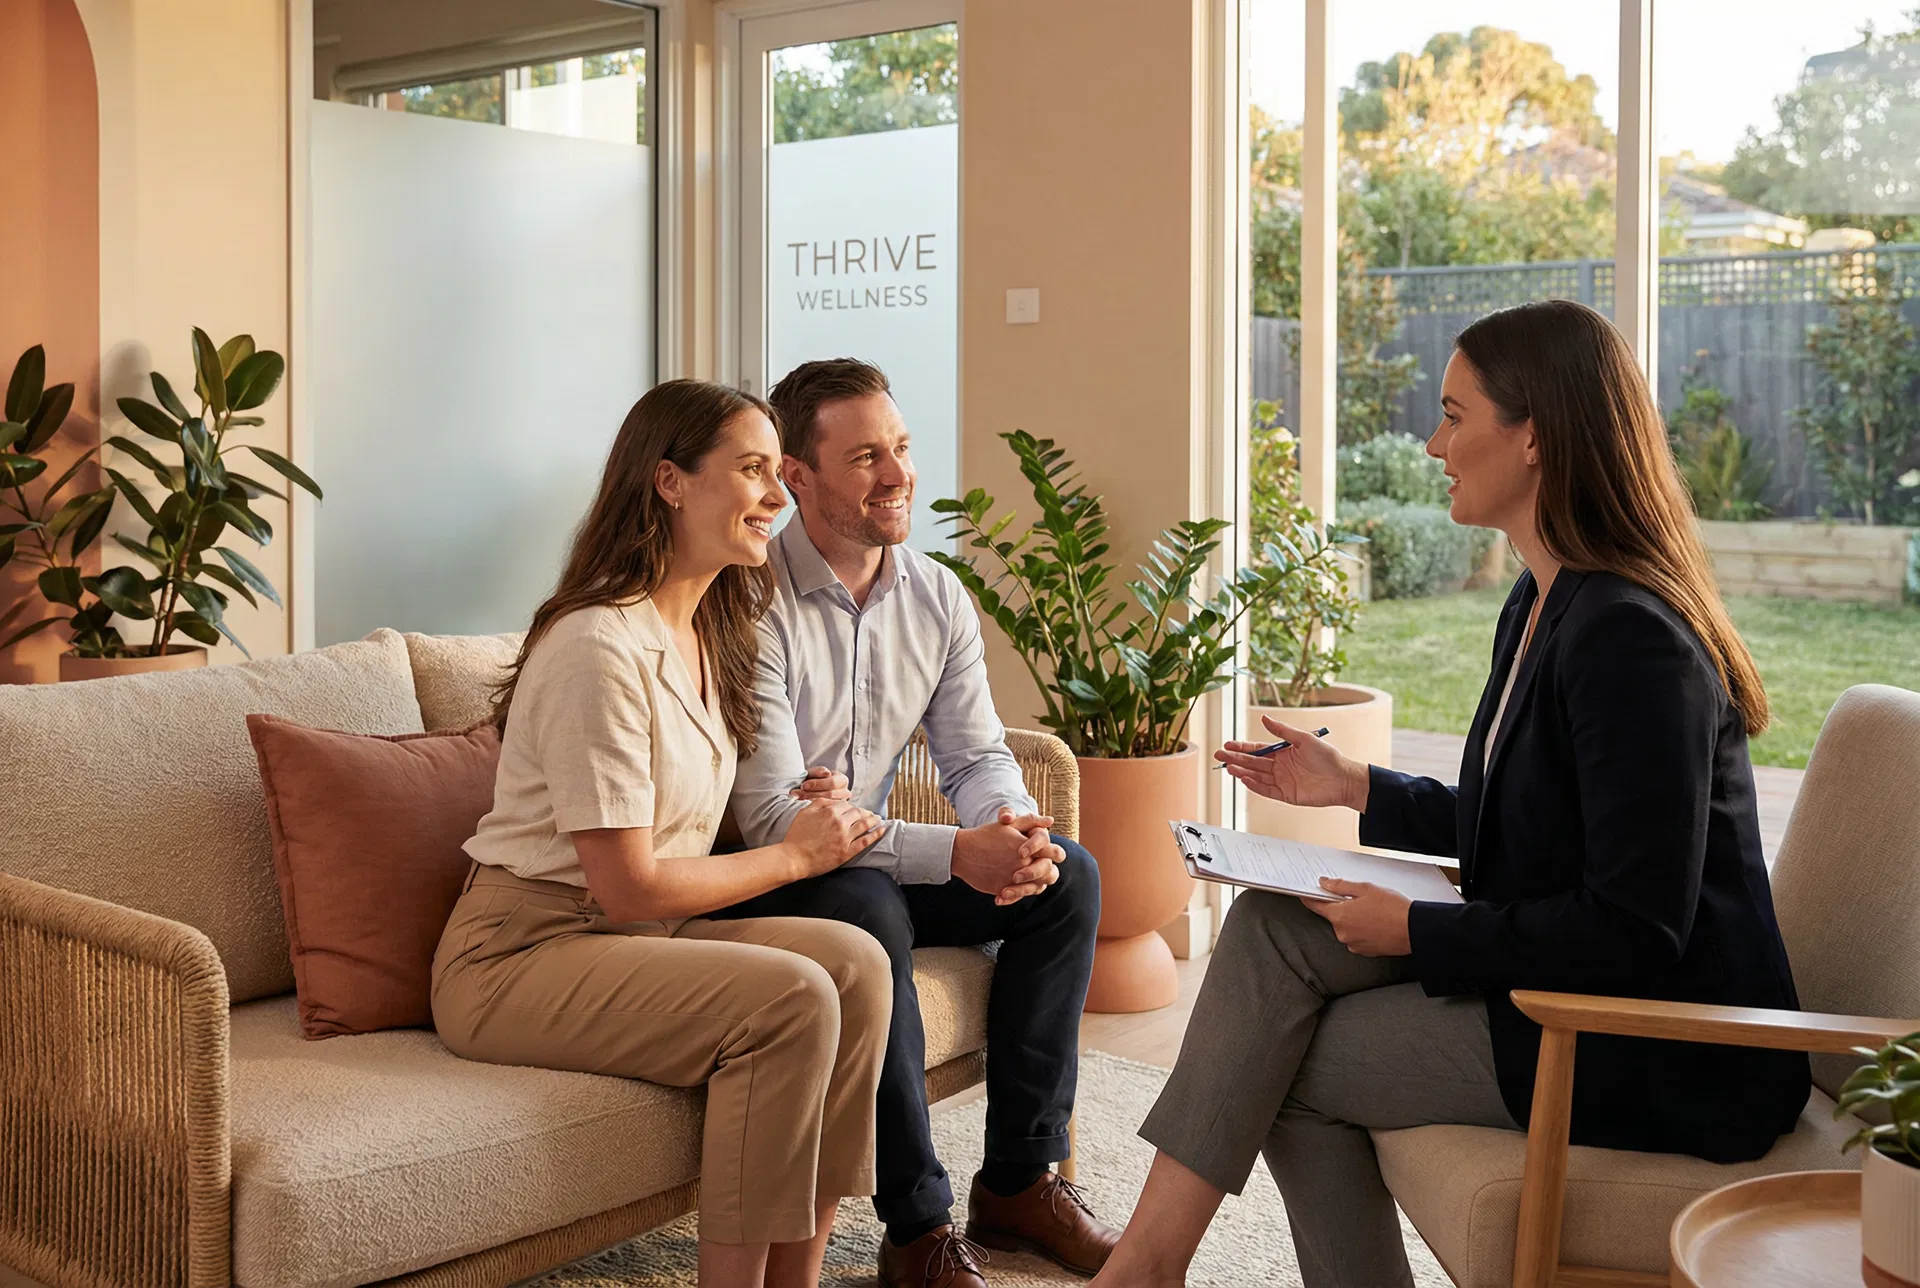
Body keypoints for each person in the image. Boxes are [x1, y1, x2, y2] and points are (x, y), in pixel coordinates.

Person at [1092, 300, 1811, 1288]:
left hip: (1657, 1045)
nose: (1434, 443)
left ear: (1535, 437)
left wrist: (1420, 935)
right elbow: (1533, 824)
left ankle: (1142, 1272)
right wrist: (1354, 785)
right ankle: (1145, 1268)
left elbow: (1638, 928)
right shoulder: (1542, 600)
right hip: (1571, 983)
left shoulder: (1631, 641)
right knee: (1270, 930)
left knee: (1286, 1065)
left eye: (1453, 414)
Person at [432, 379, 898, 1288]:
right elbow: (629, 885)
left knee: (857, 963)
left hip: (633, 938)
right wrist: (795, 855)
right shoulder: (596, 645)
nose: (778, 495)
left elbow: (682, 816)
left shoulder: (711, 630)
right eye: (753, 471)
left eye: (779, 473)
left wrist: (807, 804)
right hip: (519, 953)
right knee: (794, 997)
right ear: (671, 482)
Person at [720, 359, 1118, 1288]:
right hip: (767, 875)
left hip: (864, 851)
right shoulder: (748, 599)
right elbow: (777, 817)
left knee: (1070, 879)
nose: (898, 475)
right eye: (865, 457)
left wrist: (1013, 831)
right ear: (795, 477)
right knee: (869, 911)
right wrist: (954, 852)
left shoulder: (937, 595)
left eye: (899, 448)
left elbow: (974, 757)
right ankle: (917, 1226)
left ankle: (1022, 1181)